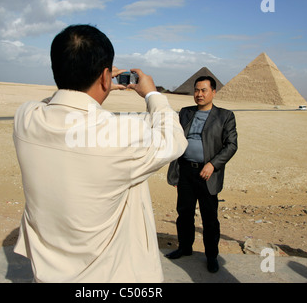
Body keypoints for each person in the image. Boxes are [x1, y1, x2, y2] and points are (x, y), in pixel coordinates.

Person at [13, 24, 188, 282]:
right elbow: (174, 139)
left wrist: (88, 84)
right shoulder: (122, 133)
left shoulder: (26, 118)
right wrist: (152, 93)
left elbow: (53, 103)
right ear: (107, 76)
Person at [166, 76, 237, 273]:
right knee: (184, 214)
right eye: (196, 90)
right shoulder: (186, 113)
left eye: (204, 90)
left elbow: (231, 145)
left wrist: (213, 164)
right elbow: (175, 137)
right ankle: (185, 247)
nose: (199, 94)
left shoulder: (225, 116)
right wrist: (176, 172)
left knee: (209, 218)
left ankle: (212, 256)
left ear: (213, 92)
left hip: (208, 173)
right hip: (186, 171)